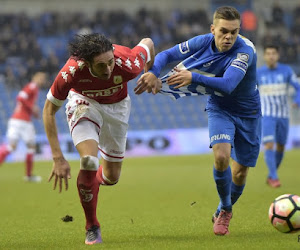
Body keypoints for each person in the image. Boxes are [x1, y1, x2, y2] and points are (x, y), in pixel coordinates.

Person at [136, 6, 261, 236]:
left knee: (240, 172)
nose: (229, 37)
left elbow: (228, 84)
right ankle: (226, 210)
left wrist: (193, 76)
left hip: (248, 113)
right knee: (222, 157)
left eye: (234, 32)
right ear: (212, 29)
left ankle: (222, 207)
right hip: (220, 107)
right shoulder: (203, 41)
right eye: (223, 31)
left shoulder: (245, 52)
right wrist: (153, 71)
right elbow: (167, 55)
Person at [42, 33, 156, 245]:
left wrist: (151, 73)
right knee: (89, 161)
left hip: (118, 108)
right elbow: (48, 111)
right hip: (84, 103)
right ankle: (92, 226)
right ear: (87, 63)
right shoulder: (72, 72)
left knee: (112, 177)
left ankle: (91, 183)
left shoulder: (129, 63)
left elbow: (148, 43)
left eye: (111, 62)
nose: (109, 69)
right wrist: (58, 157)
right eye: (101, 66)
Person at [257, 44, 300, 188]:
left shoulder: (286, 70)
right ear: (264, 56)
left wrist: (297, 100)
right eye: (268, 53)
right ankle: (274, 177)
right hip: (267, 115)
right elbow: (249, 92)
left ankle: (271, 175)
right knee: (269, 144)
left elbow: (298, 87)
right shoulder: (258, 73)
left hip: (283, 115)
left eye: (273, 53)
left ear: (278, 55)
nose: (271, 56)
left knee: (281, 146)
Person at [0, 72, 47, 182]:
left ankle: (29, 175)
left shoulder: (34, 88)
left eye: (43, 79)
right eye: (41, 78)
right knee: (31, 147)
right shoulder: (32, 86)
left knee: (11, 147)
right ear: (35, 77)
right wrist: (33, 108)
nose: (42, 81)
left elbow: (22, 101)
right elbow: (20, 97)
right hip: (23, 121)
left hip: (15, 120)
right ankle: (29, 175)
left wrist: (33, 111)